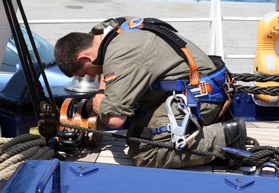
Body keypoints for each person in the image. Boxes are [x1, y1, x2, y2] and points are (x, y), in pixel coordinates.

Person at [54, 17, 247, 169]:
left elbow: (115, 120)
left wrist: (98, 103)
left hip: (200, 98)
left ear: (84, 57)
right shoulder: (109, 30)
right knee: (135, 133)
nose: (91, 76)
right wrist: (99, 97)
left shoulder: (122, 55)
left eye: (85, 73)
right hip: (193, 86)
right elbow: (109, 70)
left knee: (144, 152)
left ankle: (227, 137)